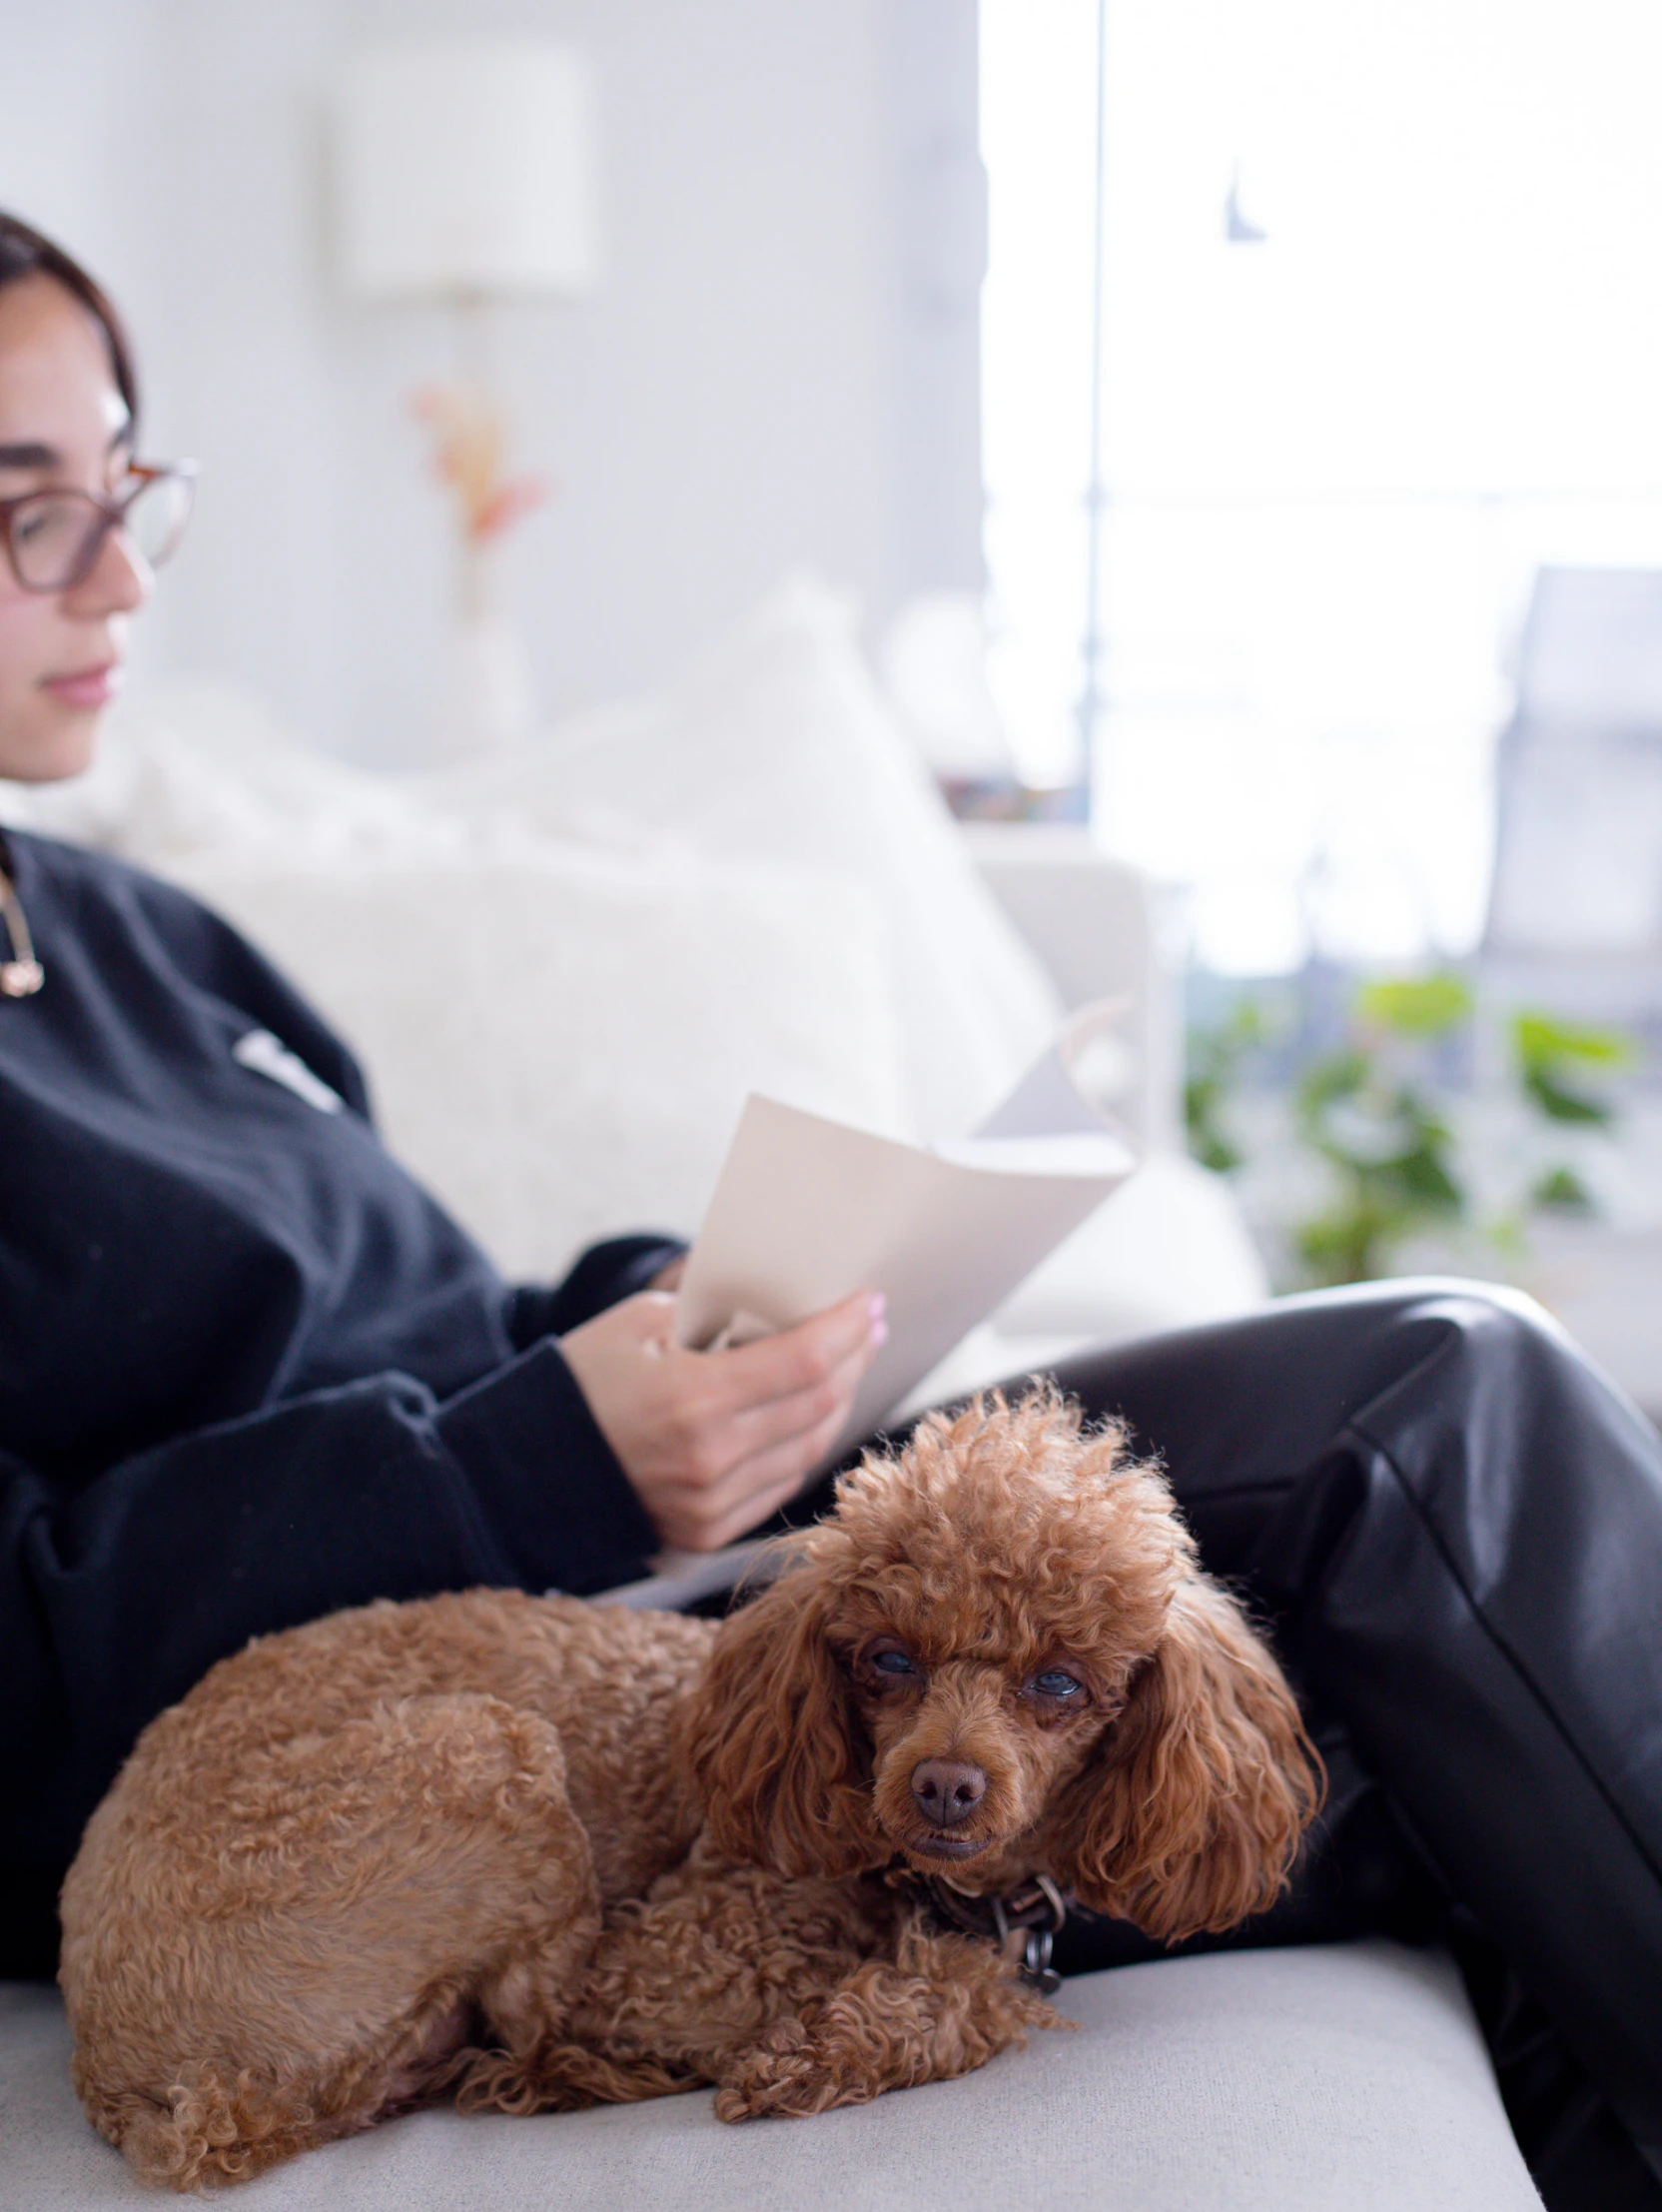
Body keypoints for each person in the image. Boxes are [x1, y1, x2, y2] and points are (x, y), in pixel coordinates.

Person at [0, 212, 1657, 2211]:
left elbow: (440, 1304)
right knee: (1425, 1408)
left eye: (126, 494)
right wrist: (536, 1459)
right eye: (28, 514)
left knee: (1412, 1715)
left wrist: (673, 1307)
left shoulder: (121, 929)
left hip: (609, 1528)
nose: (114, 580)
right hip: (432, 1666)